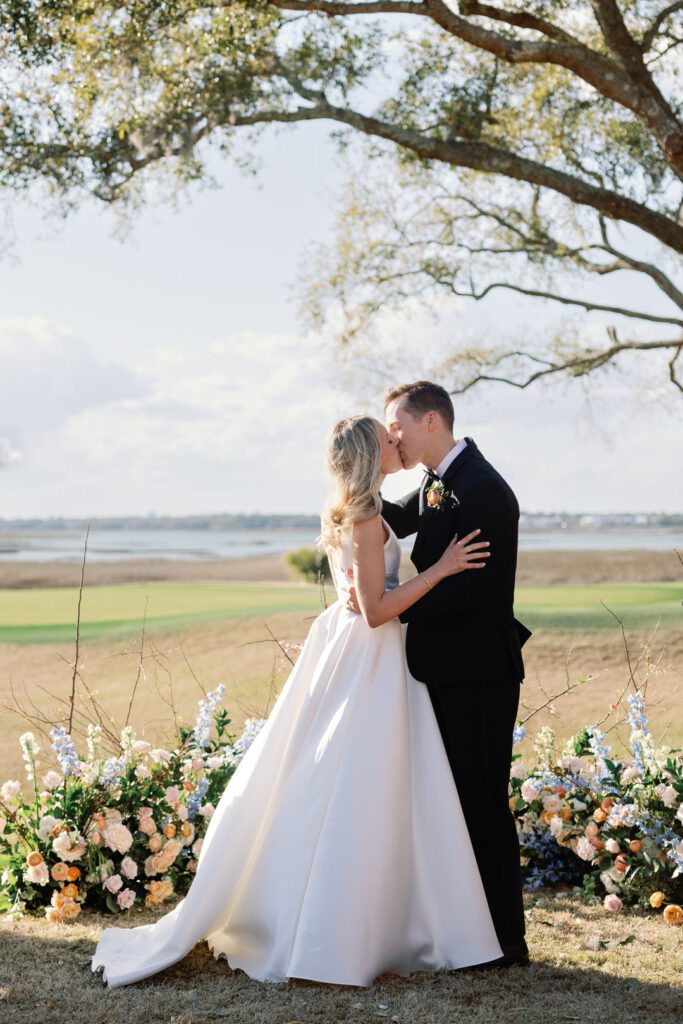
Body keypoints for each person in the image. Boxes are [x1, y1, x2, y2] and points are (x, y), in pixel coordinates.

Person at [90, 414, 504, 989]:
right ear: (368, 452)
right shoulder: (363, 518)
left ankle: (390, 918)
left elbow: (359, 598)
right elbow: (378, 609)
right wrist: (441, 569)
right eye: (387, 440)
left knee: (369, 784)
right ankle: (333, 931)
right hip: (369, 655)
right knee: (355, 784)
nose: (397, 443)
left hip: (362, 652)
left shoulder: (364, 509)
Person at [370, 380, 531, 966]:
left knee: (482, 802)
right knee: (456, 801)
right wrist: (359, 478)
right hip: (446, 667)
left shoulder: (484, 490)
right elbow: (395, 518)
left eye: (398, 428)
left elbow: (472, 593)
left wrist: (389, 604)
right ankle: (471, 932)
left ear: (432, 421)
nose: (395, 437)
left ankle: (507, 941)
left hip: (479, 673)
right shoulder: (438, 482)